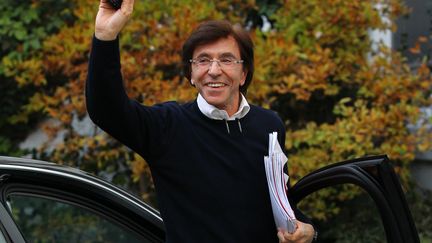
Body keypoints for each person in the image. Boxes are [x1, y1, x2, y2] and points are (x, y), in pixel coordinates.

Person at [86, 0, 316, 242]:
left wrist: (309, 231)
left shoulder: (269, 126)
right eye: (203, 60)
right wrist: (105, 35)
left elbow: (283, 206)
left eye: (227, 60)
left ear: (244, 73)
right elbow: (106, 109)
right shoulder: (167, 127)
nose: (214, 70)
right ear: (192, 74)